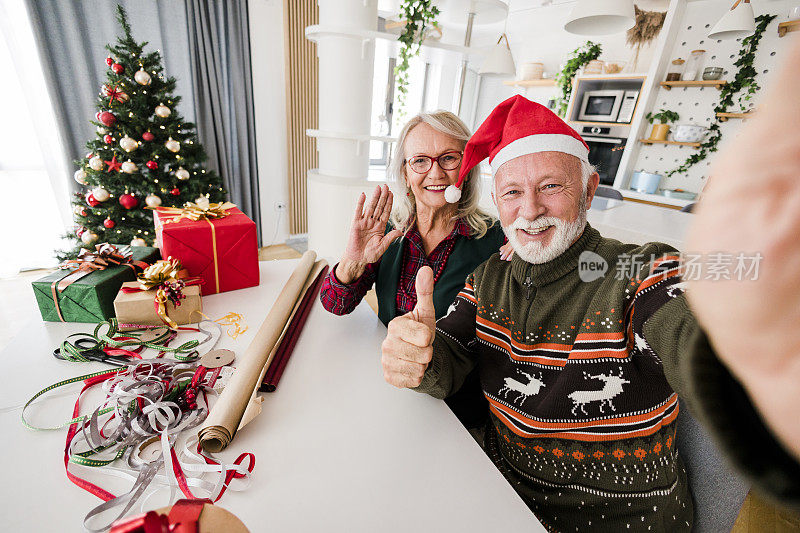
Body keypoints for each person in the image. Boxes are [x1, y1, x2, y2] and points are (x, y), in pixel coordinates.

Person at [380, 73, 800, 530]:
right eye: (513, 192)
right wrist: (418, 356)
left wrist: (757, 347)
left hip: (623, 521)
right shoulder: (487, 278)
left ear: (589, 188)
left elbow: (691, 334)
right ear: (497, 202)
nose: (530, 210)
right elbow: (449, 360)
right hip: (500, 497)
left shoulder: (639, 269)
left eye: (551, 187)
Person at [319, 111, 506, 430]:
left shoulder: (497, 242)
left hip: (453, 406)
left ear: (468, 167)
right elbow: (336, 305)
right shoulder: (389, 231)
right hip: (389, 385)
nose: (435, 172)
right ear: (405, 173)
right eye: (420, 161)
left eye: (448, 158)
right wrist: (353, 261)